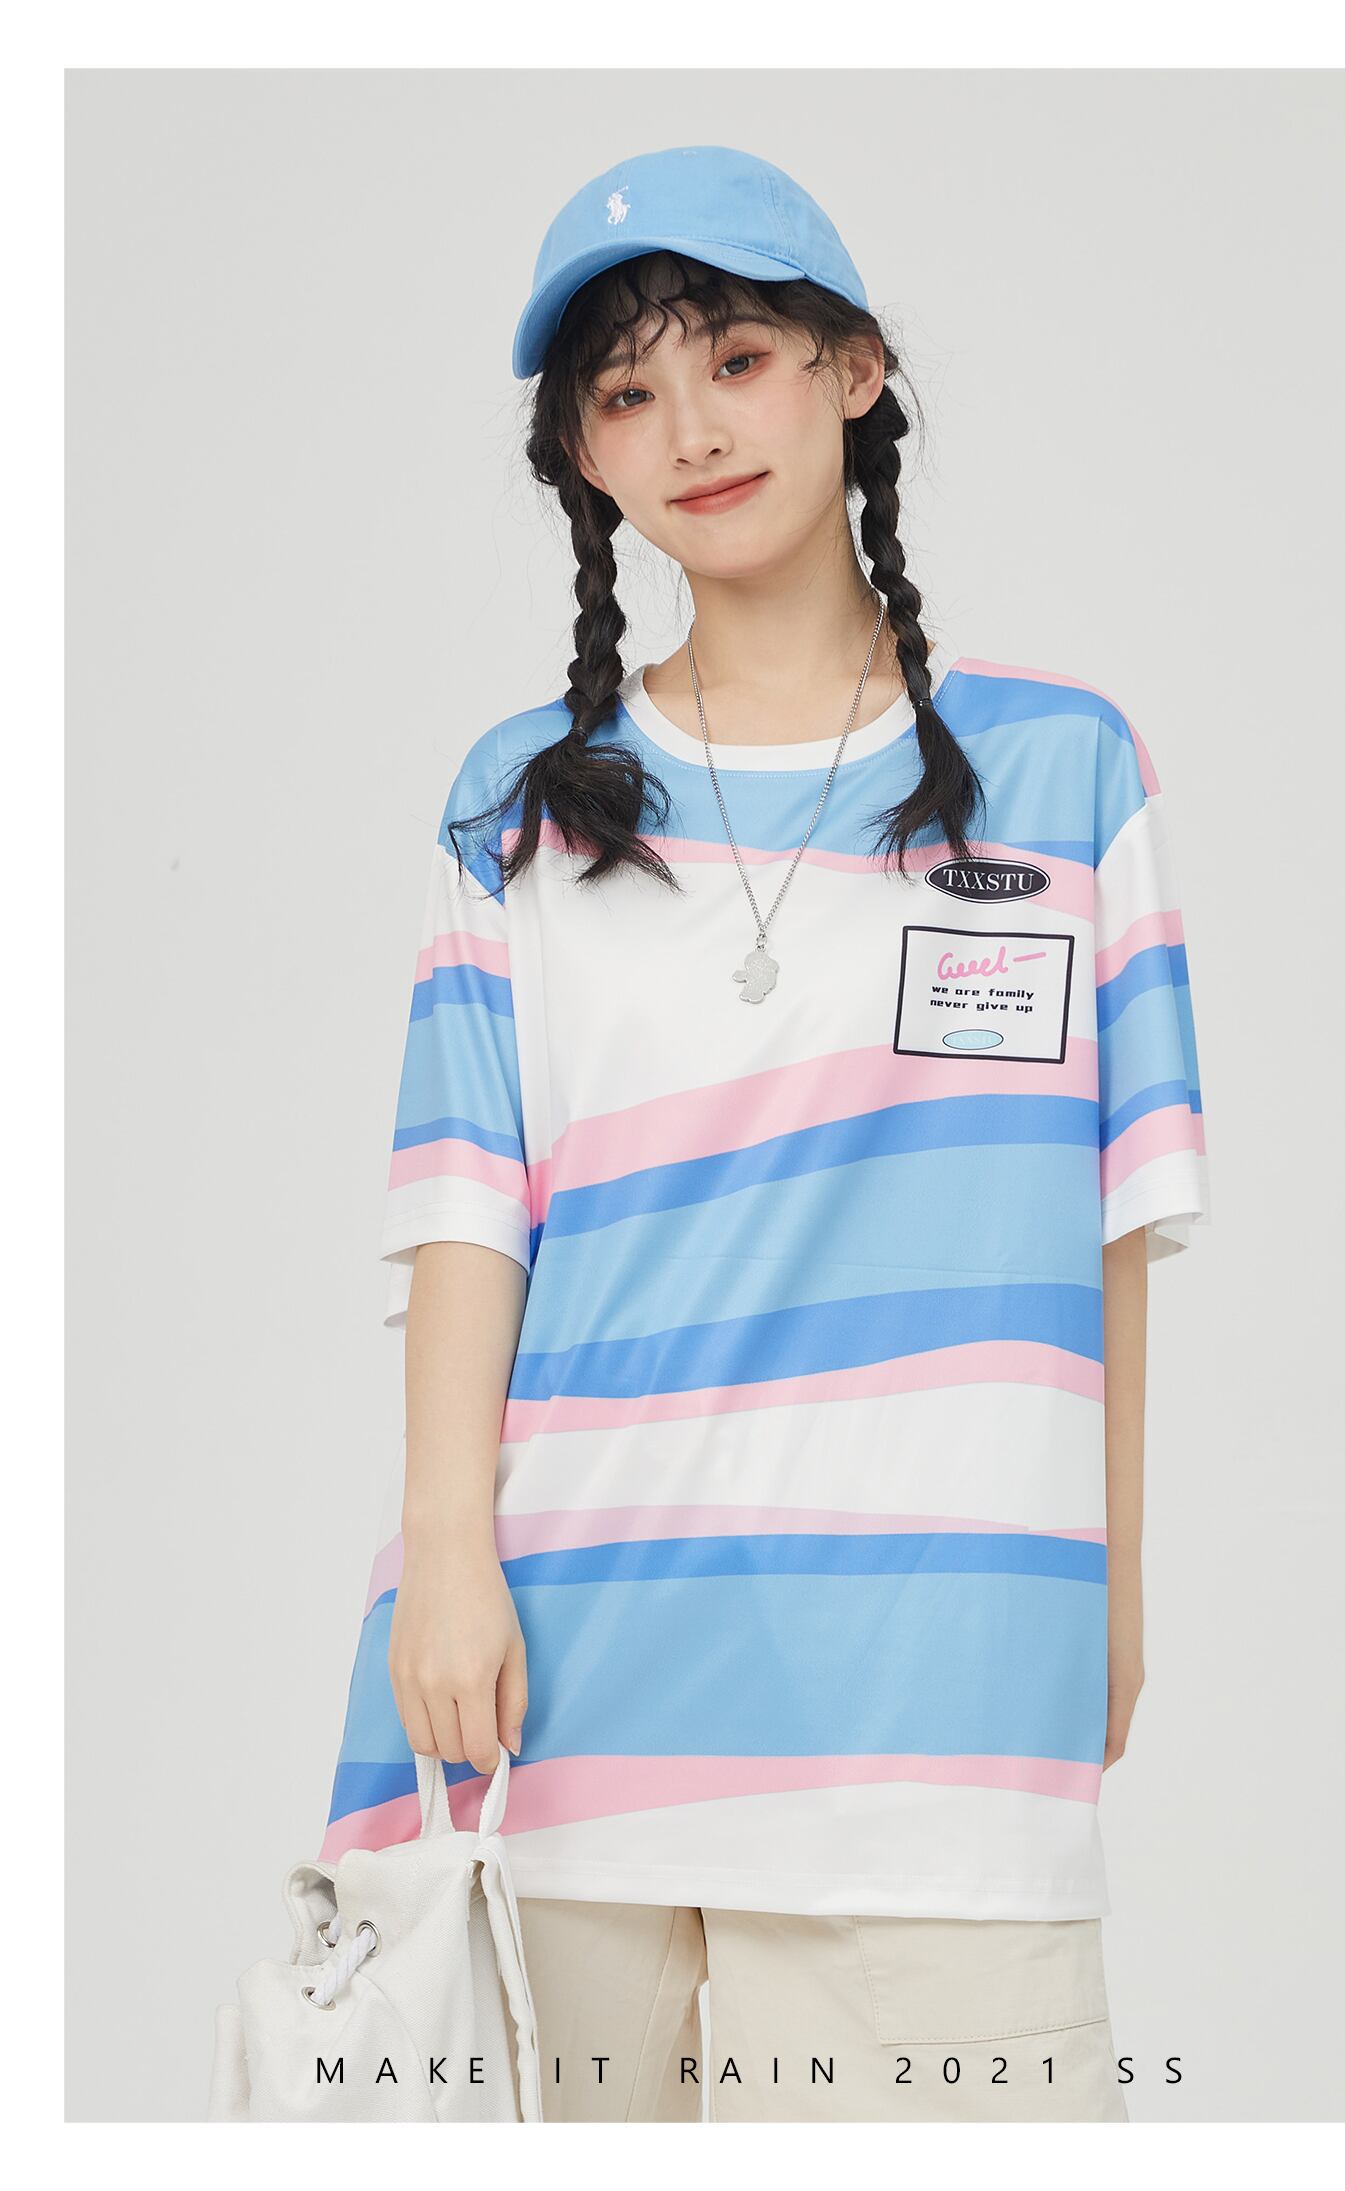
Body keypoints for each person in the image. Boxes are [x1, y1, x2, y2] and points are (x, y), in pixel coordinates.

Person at [318, 144, 1210, 2123]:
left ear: (854, 372)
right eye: (628, 395)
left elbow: (1112, 1225)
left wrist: (1113, 1586)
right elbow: (467, 1213)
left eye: (735, 360)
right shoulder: (523, 799)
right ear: (584, 459)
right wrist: (448, 1556)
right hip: (564, 1672)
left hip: (938, 1688)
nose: (693, 431)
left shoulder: (1066, 772)